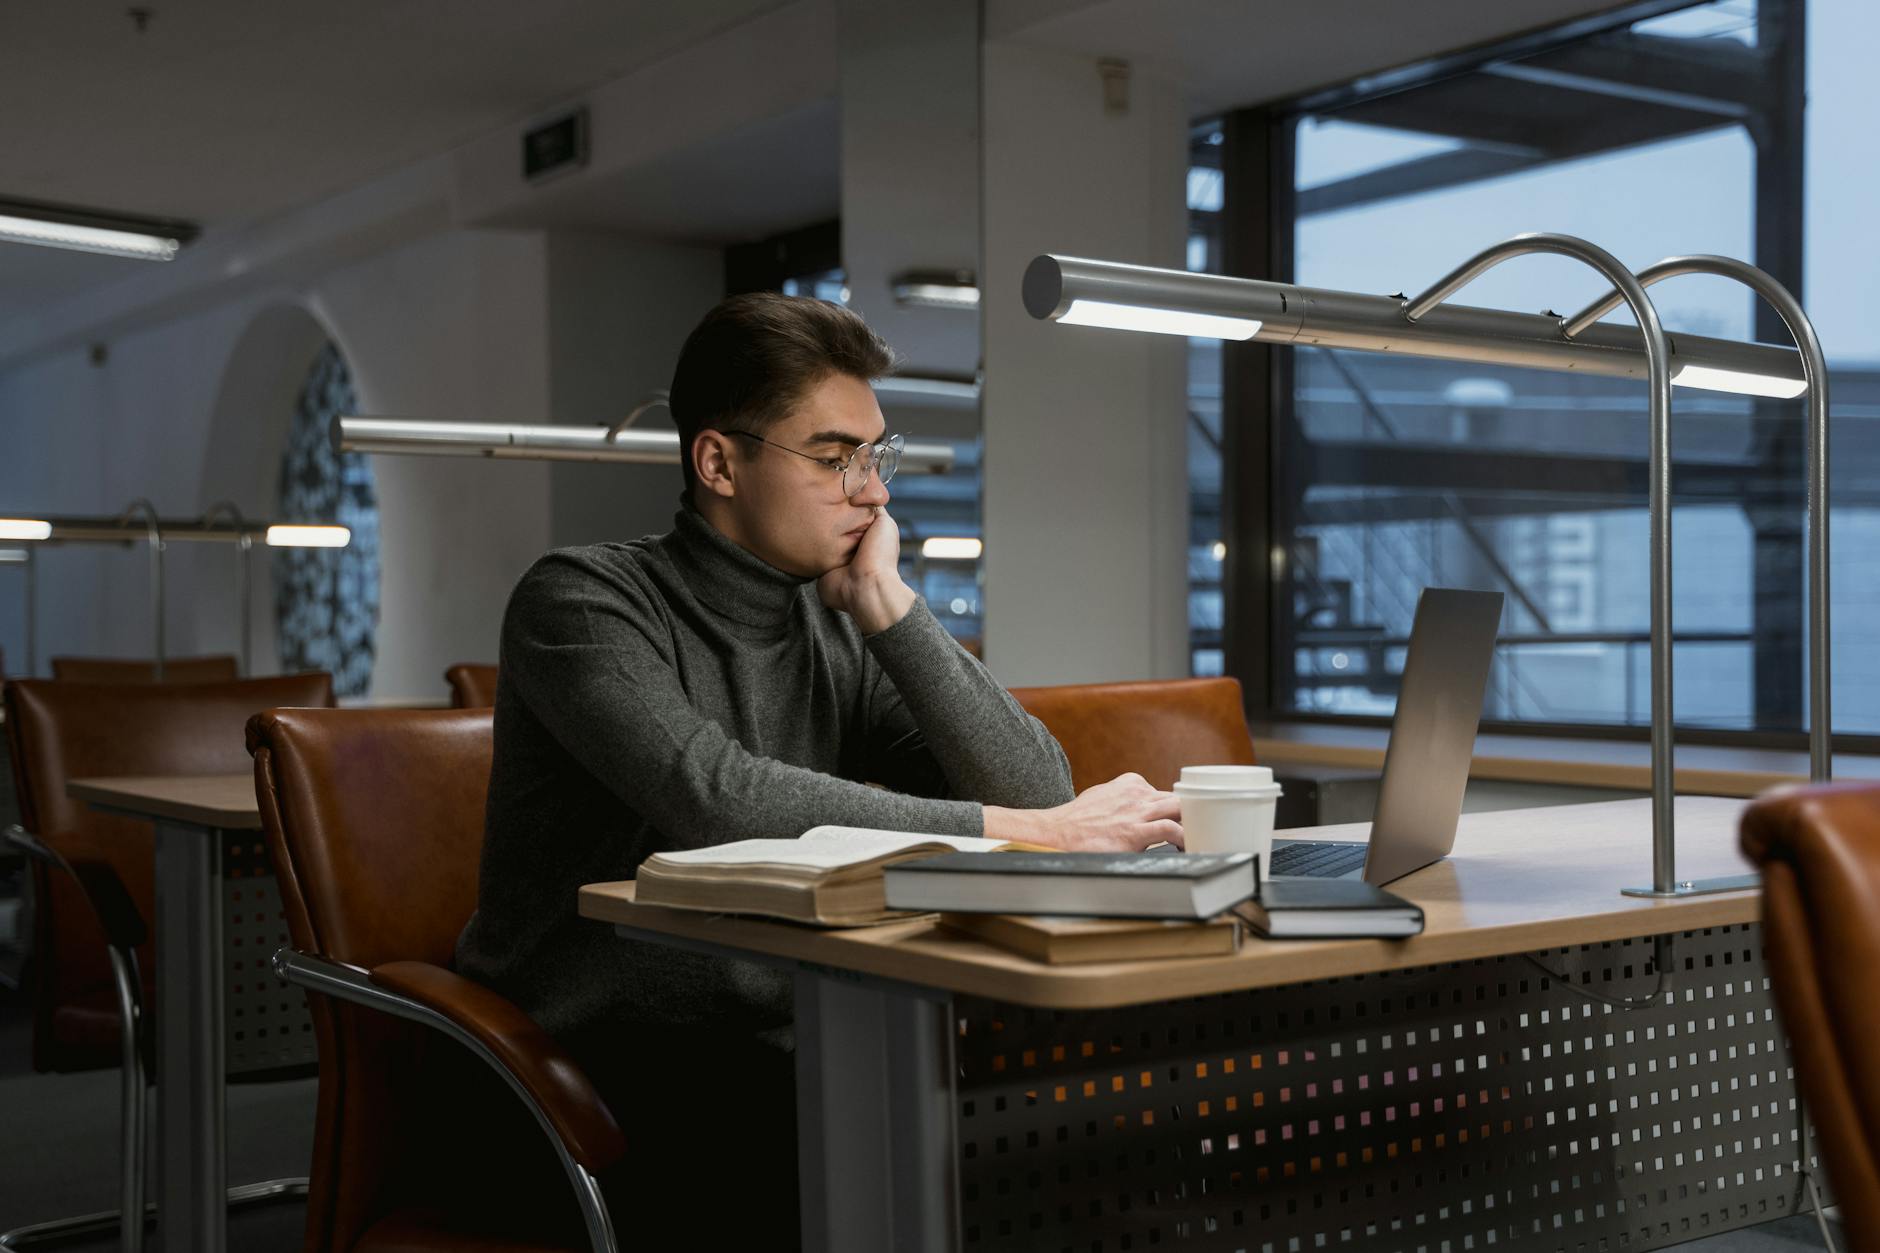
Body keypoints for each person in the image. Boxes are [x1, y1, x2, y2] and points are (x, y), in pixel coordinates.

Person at [456, 292, 1181, 1246]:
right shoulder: (581, 601)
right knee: (920, 1176)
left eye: (875, 458)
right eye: (836, 460)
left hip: (806, 1022)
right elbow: (720, 796)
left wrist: (888, 605)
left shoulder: (836, 619)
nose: (874, 491)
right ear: (718, 461)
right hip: (598, 1053)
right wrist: (1040, 835)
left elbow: (1036, 783)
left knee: (1080, 1124)